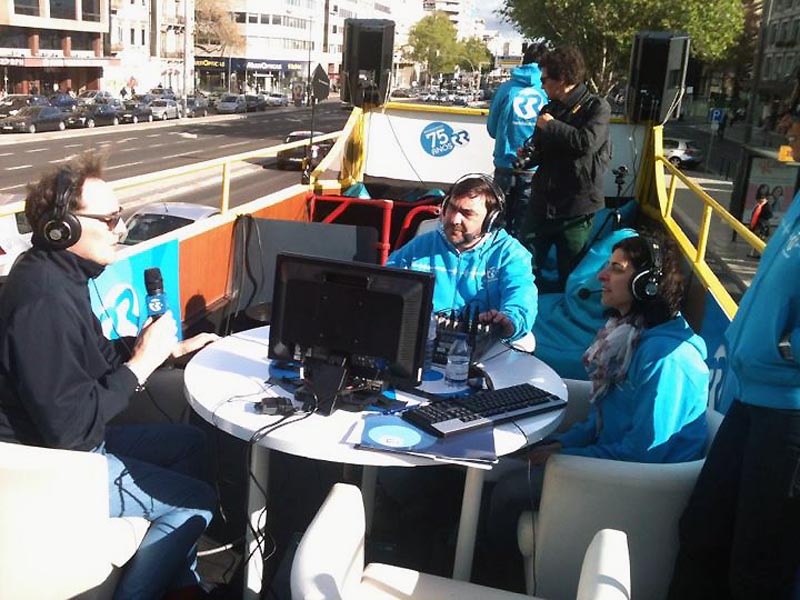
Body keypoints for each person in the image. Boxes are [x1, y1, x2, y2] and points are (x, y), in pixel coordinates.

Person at [0, 152, 219, 599]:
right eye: (111, 218)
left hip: (69, 445)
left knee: (192, 444)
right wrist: (139, 366)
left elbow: (96, 356)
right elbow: (72, 432)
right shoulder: (44, 300)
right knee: (195, 501)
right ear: (64, 228)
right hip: (52, 465)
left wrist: (162, 352)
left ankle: (176, 580)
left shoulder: (62, 275)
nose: (121, 230)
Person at [485, 231, 709, 588]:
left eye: (615, 269)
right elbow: (604, 418)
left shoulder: (669, 360)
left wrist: (566, 457)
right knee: (505, 465)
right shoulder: (632, 335)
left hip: (629, 489)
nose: (601, 277)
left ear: (646, 285)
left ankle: (497, 583)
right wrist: (561, 444)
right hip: (607, 466)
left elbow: (645, 455)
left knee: (509, 491)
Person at [668, 113, 800, 600]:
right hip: (753, 397)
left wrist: (782, 347)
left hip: (790, 416)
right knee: (702, 531)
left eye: (795, 120)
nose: (786, 131)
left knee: (758, 567)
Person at [386, 174, 537, 342]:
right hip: (424, 342)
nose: (454, 219)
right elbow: (383, 281)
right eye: (451, 208)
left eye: (467, 213)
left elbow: (521, 296)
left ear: (490, 220)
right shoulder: (421, 246)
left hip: (485, 349)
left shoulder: (510, 254)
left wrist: (509, 320)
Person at [521, 47, 612, 292]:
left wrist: (552, 126)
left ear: (561, 80)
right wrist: (527, 158)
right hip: (542, 203)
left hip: (576, 207)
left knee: (570, 272)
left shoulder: (597, 107)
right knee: (524, 263)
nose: (541, 86)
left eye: (544, 80)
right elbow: (540, 150)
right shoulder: (548, 110)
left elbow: (586, 143)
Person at [486, 43, 548, 238]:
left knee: (496, 223)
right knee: (524, 228)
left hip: (505, 164)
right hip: (533, 169)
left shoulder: (506, 88)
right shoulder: (548, 90)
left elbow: (491, 128)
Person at [746, 188, 773, 258]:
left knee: (760, 240)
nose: (760, 200)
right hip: (757, 226)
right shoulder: (758, 206)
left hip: (762, 227)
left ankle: (758, 254)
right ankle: (754, 253)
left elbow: (769, 215)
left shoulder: (767, 206)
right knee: (755, 240)